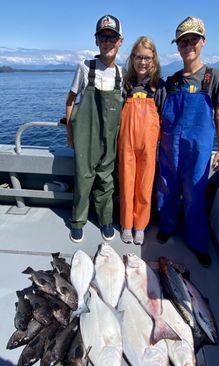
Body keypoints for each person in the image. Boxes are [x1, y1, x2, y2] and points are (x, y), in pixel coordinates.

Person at [156, 16, 219, 266]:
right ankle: (167, 226)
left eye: (193, 40)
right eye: (183, 42)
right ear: (178, 46)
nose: (188, 46)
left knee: (195, 193)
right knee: (167, 188)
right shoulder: (171, 81)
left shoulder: (213, 76)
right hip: (169, 147)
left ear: (203, 42)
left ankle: (197, 242)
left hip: (198, 148)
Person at [66, 15, 124, 243]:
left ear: (120, 41)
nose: (107, 41)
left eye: (112, 36)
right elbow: (70, 100)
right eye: (103, 36)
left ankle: (106, 219)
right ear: (97, 40)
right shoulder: (84, 68)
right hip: (85, 136)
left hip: (110, 138)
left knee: (106, 180)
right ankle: (77, 221)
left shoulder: (121, 74)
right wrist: (70, 132)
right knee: (83, 178)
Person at [118, 36, 165, 245]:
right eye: (138, 57)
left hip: (149, 146)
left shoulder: (159, 87)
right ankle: (126, 224)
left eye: (147, 58)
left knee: (145, 186)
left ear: (153, 60)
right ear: (132, 58)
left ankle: (140, 226)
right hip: (126, 144)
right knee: (127, 184)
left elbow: (165, 117)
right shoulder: (125, 84)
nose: (142, 62)